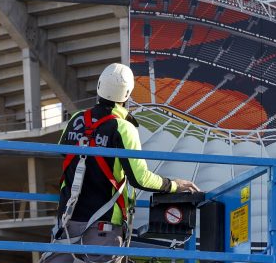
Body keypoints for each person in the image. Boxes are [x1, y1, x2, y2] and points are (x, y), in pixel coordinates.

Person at [43, 63, 199, 263]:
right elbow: (140, 178)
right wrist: (174, 185)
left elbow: (64, 153)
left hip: (67, 221)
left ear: (99, 86)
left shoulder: (76, 119)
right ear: (127, 94)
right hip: (103, 227)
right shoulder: (123, 128)